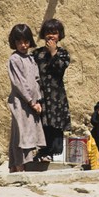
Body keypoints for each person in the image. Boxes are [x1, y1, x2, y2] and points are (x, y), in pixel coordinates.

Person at [6, 24, 46, 173]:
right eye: (19, 42)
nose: (23, 45)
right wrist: (31, 101)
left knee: (27, 134)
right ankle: (18, 166)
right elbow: (19, 84)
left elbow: (36, 80)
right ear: (14, 43)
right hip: (21, 103)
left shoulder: (30, 58)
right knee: (20, 135)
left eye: (26, 41)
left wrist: (38, 100)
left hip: (32, 103)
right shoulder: (14, 59)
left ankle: (17, 167)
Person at [32, 18, 71, 162]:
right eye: (48, 32)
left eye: (54, 33)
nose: (51, 36)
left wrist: (53, 52)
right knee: (42, 123)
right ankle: (42, 152)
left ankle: (53, 153)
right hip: (41, 95)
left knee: (55, 124)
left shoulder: (62, 54)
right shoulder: (37, 54)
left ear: (59, 35)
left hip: (56, 97)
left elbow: (60, 68)